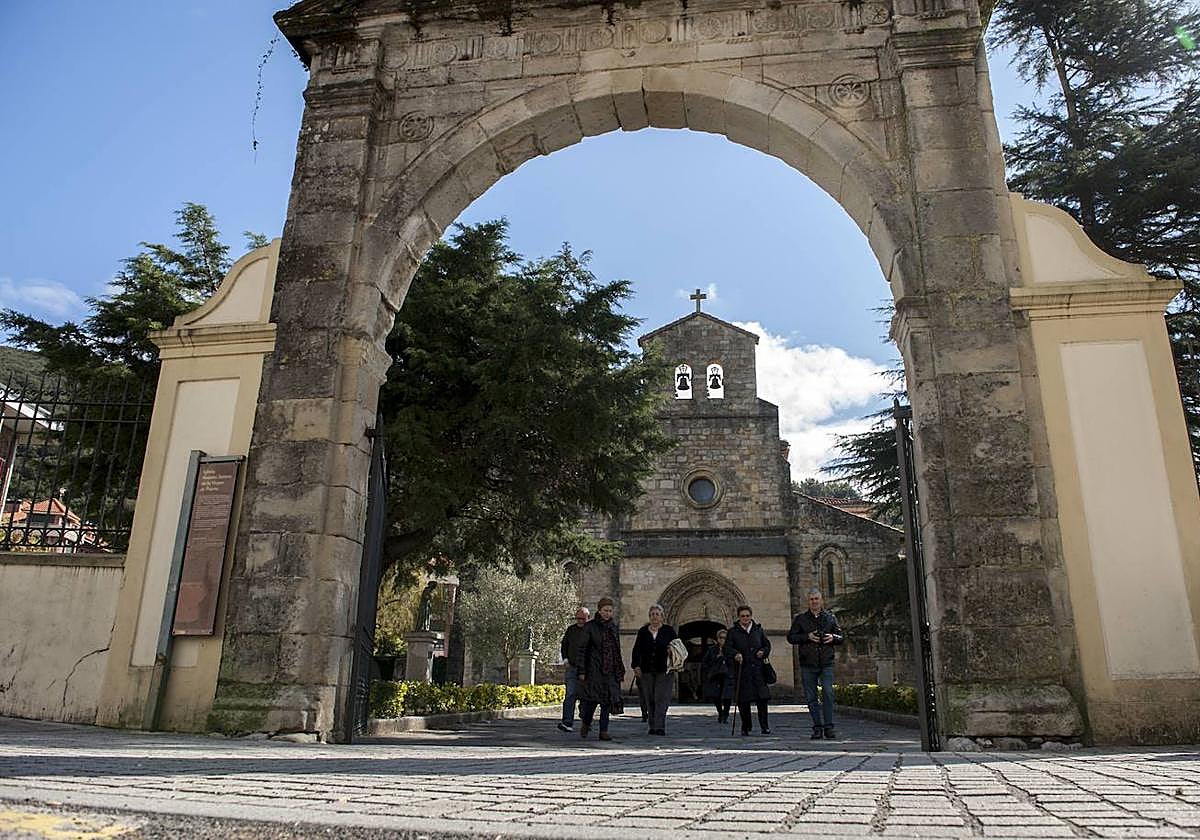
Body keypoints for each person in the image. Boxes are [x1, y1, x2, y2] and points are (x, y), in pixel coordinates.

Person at [786, 587, 844, 739]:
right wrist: (807, 637)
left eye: (816, 599)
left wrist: (833, 637)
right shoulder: (800, 619)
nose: (814, 602)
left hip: (826, 662)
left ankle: (829, 726)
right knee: (811, 697)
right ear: (808, 602)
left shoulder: (830, 618)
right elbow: (791, 637)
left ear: (821, 600)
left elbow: (841, 637)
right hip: (808, 663)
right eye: (811, 599)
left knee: (828, 692)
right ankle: (817, 727)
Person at [577, 597, 625, 741]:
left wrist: (618, 669)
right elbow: (582, 649)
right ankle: (586, 723)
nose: (607, 613)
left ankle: (603, 731)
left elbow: (616, 649)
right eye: (605, 610)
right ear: (599, 610)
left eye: (610, 611)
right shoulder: (590, 627)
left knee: (606, 702)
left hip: (609, 670)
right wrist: (582, 671)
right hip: (594, 670)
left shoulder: (613, 627)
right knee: (591, 702)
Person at [724, 604, 772, 735]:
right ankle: (746, 726)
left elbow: (767, 645)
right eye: (743, 616)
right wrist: (735, 654)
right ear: (738, 617)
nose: (745, 618)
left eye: (748, 616)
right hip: (742, 671)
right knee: (743, 701)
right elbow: (727, 649)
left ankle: (765, 726)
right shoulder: (733, 632)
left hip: (758, 671)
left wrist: (763, 651)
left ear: (751, 616)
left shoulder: (758, 630)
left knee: (762, 700)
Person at [631, 603, 677, 736]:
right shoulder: (643, 631)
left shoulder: (669, 631)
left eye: (657, 614)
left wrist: (671, 652)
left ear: (662, 617)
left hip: (665, 670)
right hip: (646, 670)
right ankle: (652, 725)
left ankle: (660, 726)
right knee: (649, 698)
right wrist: (636, 666)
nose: (654, 617)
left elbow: (678, 647)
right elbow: (637, 650)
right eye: (652, 614)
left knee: (661, 698)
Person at [557, 606, 590, 732]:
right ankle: (567, 722)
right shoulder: (571, 630)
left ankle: (586, 721)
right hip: (572, 667)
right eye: (578, 618)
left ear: (588, 618)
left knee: (586, 696)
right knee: (570, 694)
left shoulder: (591, 630)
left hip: (587, 669)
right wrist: (565, 659)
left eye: (583, 619)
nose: (580, 621)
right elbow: (564, 645)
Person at [702, 629, 732, 723]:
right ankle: (720, 713)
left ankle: (726, 714)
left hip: (727, 675)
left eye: (725, 638)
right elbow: (705, 662)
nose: (723, 640)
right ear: (718, 639)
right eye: (721, 638)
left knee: (727, 696)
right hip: (716, 675)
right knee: (716, 696)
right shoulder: (712, 649)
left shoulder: (731, 649)